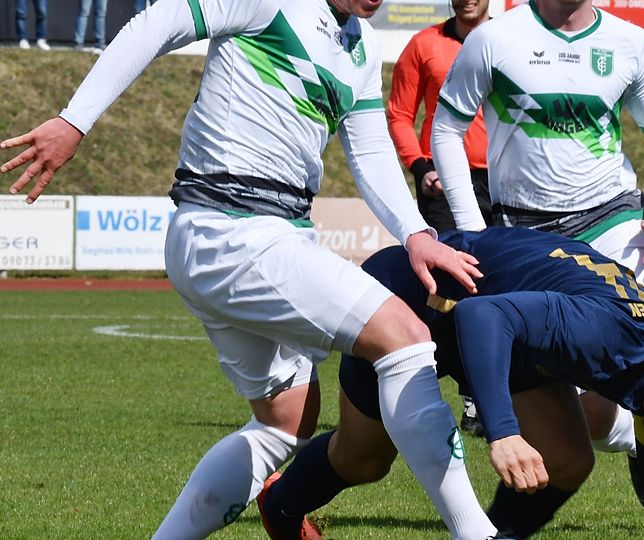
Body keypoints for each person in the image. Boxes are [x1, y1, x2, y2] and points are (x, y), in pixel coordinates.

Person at [0, 0, 502, 538]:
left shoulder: (361, 43)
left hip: (252, 235)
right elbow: (158, 22)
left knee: (285, 420)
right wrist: (74, 120)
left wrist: (416, 234)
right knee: (406, 338)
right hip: (232, 230)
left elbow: (371, 149)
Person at [430, 0, 644, 537]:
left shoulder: (630, 42)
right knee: (598, 423)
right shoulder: (494, 39)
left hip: (613, 221)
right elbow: (445, 129)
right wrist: (472, 232)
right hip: (524, 230)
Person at [258, 226, 644, 539]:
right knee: (364, 460)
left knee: (568, 460)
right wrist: (503, 432)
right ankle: (280, 505)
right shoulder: (610, 333)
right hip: (418, 300)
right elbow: (482, 316)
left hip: (508, 342)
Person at [387, 0, 493, 438]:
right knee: (452, 292)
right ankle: (463, 395)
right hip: (444, 184)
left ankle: (509, 394)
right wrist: (419, 166)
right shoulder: (423, 44)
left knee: (505, 287)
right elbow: (399, 114)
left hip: (505, 185)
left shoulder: (510, 41)